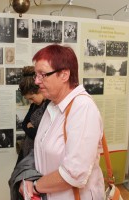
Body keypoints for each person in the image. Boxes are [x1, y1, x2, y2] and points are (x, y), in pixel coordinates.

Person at [19, 44, 105, 200]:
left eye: (42, 74)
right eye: (36, 75)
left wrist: (37, 186)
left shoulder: (82, 108)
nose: (37, 81)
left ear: (64, 75)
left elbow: (74, 173)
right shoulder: (53, 105)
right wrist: (29, 178)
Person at [16, 66, 50, 164]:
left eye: (32, 98)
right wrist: (31, 129)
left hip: (39, 159)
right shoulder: (35, 105)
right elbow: (24, 124)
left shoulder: (50, 106)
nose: (31, 102)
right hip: (26, 151)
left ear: (40, 90)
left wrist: (30, 129)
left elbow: (47, 137)